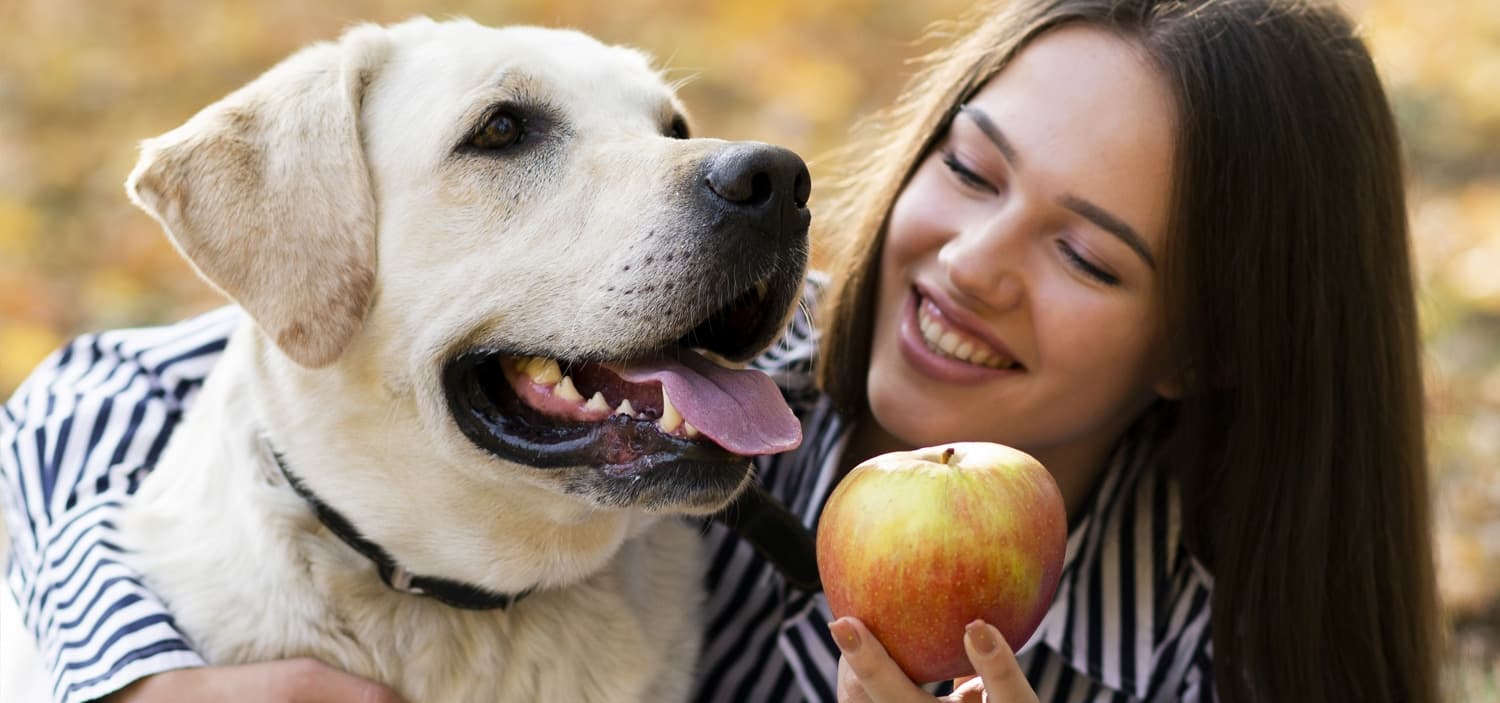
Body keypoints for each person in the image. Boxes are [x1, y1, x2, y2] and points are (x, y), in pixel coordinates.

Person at [0, 0, 1441, 701]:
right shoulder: (772, 386)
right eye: (973, 168)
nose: (970, 264)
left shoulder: (1214, 657)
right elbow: (88, 399)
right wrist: (139, 676)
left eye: (1087, 252)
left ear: (1205, 341)